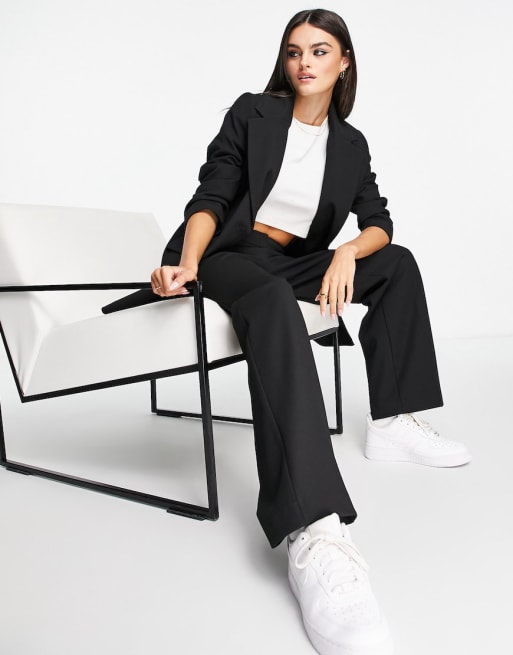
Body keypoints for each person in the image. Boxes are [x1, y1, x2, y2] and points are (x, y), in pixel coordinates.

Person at [150, 9, 471, 655]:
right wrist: (188, 261)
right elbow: (212, 195)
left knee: (395, 262)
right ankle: (312, 525)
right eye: (294, 51)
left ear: (343, 62)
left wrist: (348, 251)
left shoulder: (350, 144)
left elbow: (378, 221)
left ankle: (392, 422)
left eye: (320, 51)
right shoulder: (254, 112)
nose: (304, 62)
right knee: (269, 296)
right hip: (226, 255)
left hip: (290, 261)